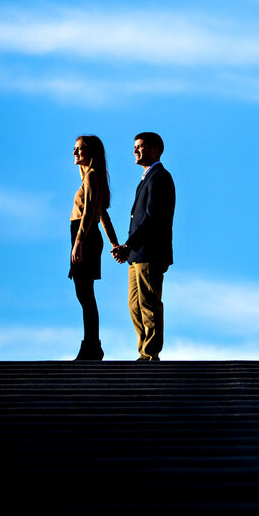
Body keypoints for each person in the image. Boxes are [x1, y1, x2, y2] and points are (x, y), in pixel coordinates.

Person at [111, 132, 175, 361]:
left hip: (150, 252)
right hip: (136, 254)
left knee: (149, 303)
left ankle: (150, 354)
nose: (135, 150)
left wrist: (129, 245)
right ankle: (143, 352)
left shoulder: (159, 177)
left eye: (141, 146)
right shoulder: (148, 177)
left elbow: (152, 217)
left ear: (155, 150)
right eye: (135, 147)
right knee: (135, 305)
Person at [69, 135, 120, 361]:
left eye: (80, 149)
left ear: (91, 153)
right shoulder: (91, 176)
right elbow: (103, 215)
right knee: (85, 293)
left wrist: (79, 241)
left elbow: (91, 211)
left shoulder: (91, 176)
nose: (75, 153)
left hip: (85, 237)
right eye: (74, 149)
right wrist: (114, 243)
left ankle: (92, 345)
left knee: (85, 294)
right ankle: (92, 344)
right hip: (87, 236)